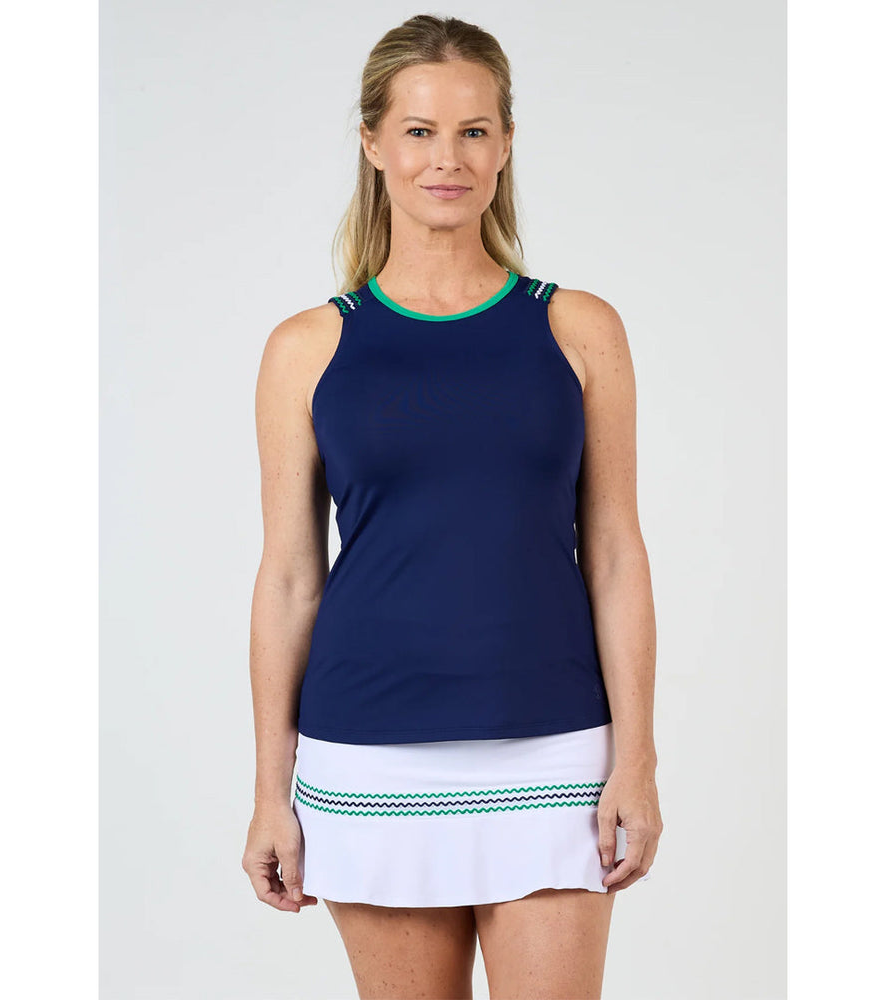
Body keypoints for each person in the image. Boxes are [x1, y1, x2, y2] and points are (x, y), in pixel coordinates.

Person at [242, 13, 662, 999]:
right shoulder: (306, 348)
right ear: (373, 143)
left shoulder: (579, 328)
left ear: (506, 143)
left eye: (474, 130)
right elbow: (291, 577)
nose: (448, 158)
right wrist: (268, 788)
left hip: (554, 746)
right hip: (368, 754)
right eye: (420, 131)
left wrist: (637, 760)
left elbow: (615, 553)